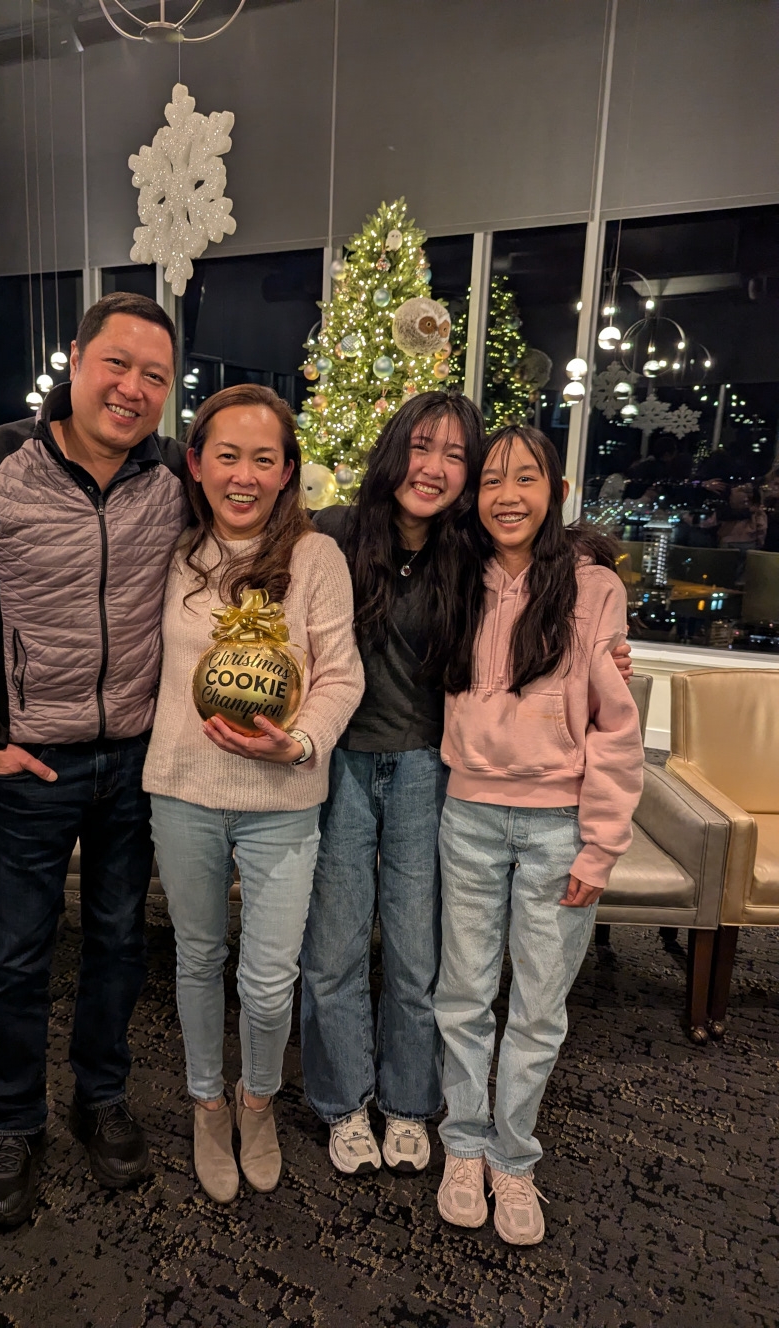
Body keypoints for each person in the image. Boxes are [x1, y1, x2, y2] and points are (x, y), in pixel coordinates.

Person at [0, 292, 188, 1230]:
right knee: (18, 951)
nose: (133, 387)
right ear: (74, 359)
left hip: (138, 762)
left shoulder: (176, 479)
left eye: (155, 375)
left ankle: (100, 1097)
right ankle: (13, 1121)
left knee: (119, 942)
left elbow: (261, 539)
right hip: (35, 763)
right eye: (117, 363)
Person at [143, 384, 364, 1204]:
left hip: (285, 797)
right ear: (196, 465)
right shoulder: (170, 551)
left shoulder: (315, 559)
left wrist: (298, 740)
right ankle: (207, 1103)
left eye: (263, 459)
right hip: (184, 788)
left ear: (288, 471)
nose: (243, 475)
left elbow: (342, 675)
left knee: (270, 979)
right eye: (226, 456)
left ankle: (257, 1100)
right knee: (197, 957)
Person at [433, 424, 643, 1246]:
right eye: (490, 480)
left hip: (559, 826)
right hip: (469, 815)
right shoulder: (458, 575)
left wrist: (602, 842)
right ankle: (462, 1143)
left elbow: (618, 729)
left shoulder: (592, 589)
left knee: (538, 1006)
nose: (506, 495)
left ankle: (513, 1157)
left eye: (526, 478)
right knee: (463, 994)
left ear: (555, 491)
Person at [298, 391, 482, 1176]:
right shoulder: (334, 532)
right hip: (337, 759)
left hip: (423, 768)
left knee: (415, 951)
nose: (433, 468)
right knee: (333, 947)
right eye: (421, 446)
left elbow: (548, 566)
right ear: (394, 448)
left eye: (454, 455)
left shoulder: (469, 551)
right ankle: (343, 1103)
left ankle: (408, 1102)